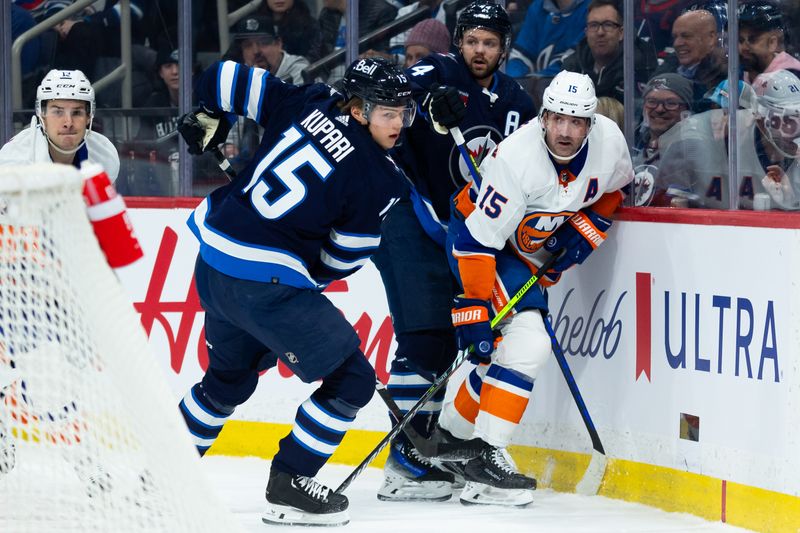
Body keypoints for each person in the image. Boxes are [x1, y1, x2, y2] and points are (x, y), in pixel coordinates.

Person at [175, 56, 415, 526]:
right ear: (360, 110)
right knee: (353, 381)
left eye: (403, 111)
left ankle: (160, 473)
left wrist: (210, 114)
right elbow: (342, 260)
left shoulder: (308, 99)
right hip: (266, 283)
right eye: (387, 112)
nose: (399, 122)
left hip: (215, 263)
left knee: (228, 381)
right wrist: (301, 278)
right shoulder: (380, 177)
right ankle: (291, 481)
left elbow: (221, 77)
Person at [433, 70, 632, 506]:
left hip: (523, 255)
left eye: (576, 121)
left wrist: (591, 223)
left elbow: (616, 190)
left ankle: (449, 442)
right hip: (480, 245)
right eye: (556, 118)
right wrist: (473, 313)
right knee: (528, 344)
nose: (565, 131)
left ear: (591, 123)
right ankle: (485, 462)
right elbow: (475, 241)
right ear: (542, 117)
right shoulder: (516, 159)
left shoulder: (610, 142)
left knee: (500, 363)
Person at [372, 0, 535, 503]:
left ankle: (423, 449)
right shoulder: (433, 71)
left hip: (468, 232)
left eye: (489, 42)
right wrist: (420, 103)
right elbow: (388, 93)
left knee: (446, 339)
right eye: (471, 41)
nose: (478, 50)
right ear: (458, 42)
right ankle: (405, 461)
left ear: (503, 48)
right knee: (425, 337)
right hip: (408, 216)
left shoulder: (516, 100)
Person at [656, 69, 800, 210]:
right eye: (782, 118)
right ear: (759, 117)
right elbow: (666, 205)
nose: (722, 119)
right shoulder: (690, 141)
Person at [0, 69, 119, 181]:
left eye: (77, 112)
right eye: (58, 112)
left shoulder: (105, 156)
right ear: (42, 116)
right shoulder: (14, 162)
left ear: (89, 116)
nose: (68, 123)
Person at [561, 0, 657, 103]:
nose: (600, 32)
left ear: (621, 33)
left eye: (608, 25)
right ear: (586, 32)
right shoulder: (571, 68)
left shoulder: (640, 66)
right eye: (594, 25)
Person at [631, 73, 694, 206]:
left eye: (671, 103)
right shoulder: (632, 145)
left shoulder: (692, 152)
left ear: (686, 109)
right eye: (652, 102)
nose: (659, 109)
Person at [651, 9, 727, 108]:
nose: (677, 44)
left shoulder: (725, 75)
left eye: (686, 36)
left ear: (711, 38)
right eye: (675, 37)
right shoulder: (667, 67)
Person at [506, 0, 590, 78]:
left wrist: (539, 80)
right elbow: (520, 56)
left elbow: (573, 64)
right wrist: (512, 82)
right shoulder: (538, 6)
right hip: (538, 88)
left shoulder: (592, 9)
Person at [226, 15, 310, 84]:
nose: (256, 51)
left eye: (263, 43)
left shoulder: (299, 71)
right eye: (248, 45)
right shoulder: (238, 77)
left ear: (278, 44)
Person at [738, 0, 800, 84]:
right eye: (740, 40)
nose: (743, 48)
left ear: (772, 43)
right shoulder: (737, 74)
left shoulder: (793, 78)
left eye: (752, 40)